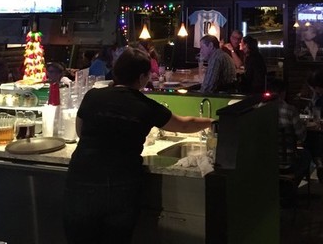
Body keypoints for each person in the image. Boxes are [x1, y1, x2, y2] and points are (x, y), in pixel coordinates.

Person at [63, 47, 212, 244]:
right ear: (142, 77)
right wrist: (213, 122)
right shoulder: (146, 106)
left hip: (82, 180)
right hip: (121, 184)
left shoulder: (92, 96)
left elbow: (80, 131)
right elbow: (185, 124)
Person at [269, 79, 311, 187]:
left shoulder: (260, 109)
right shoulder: (290, 110)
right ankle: (292, 187)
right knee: (307, 155)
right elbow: (302, 136)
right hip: (287, 162)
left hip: (267, 161)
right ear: (283, 93)